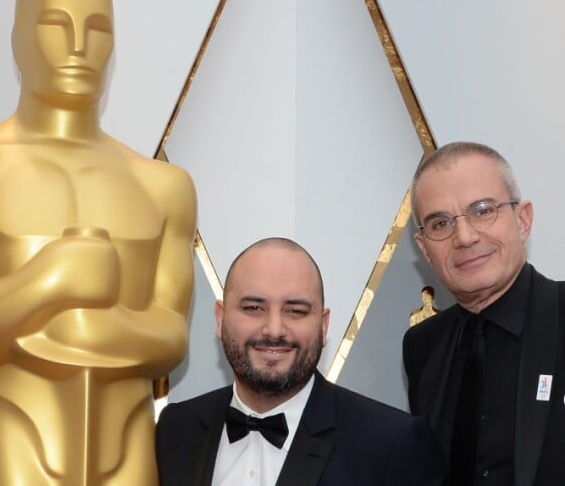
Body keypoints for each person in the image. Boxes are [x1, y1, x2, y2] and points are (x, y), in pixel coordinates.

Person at [0, 0, 197, 484]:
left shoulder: (162, 185)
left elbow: (172, 337)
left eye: (98, 29)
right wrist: (49, 281)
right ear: (18, 40)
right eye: (55, 24)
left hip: (128, 443)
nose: (78, 45)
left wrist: (98, 327)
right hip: (11, 435)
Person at [156, 237, 445, 485]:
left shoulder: (391, 443)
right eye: (254, 308)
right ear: (220, 319)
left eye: (295, 311)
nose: (274, 329)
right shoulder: (175, 429)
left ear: (323, 326)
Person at [403, 141, 565, 486]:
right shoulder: (420, 346)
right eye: (440, 223)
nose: (463, 237)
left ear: (523, 220)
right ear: (425, 250)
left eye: (482, 211)